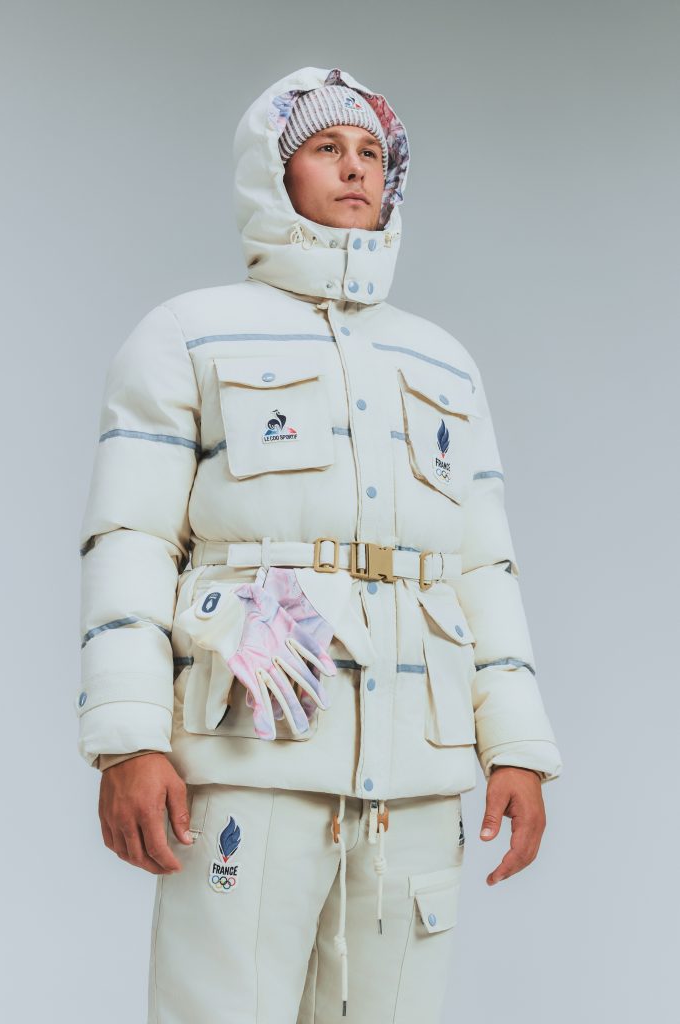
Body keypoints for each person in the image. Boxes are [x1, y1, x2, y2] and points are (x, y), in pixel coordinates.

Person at [76, 65, 563, 1023]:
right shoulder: (188, 336)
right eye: (326, 148)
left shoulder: (441, 362)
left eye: (370, 152)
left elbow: (481, 568)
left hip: (416, 772)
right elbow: (130, 541)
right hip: (248, 750)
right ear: (273, 171)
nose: (353, 169)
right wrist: (128, 740)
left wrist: (516, 746)